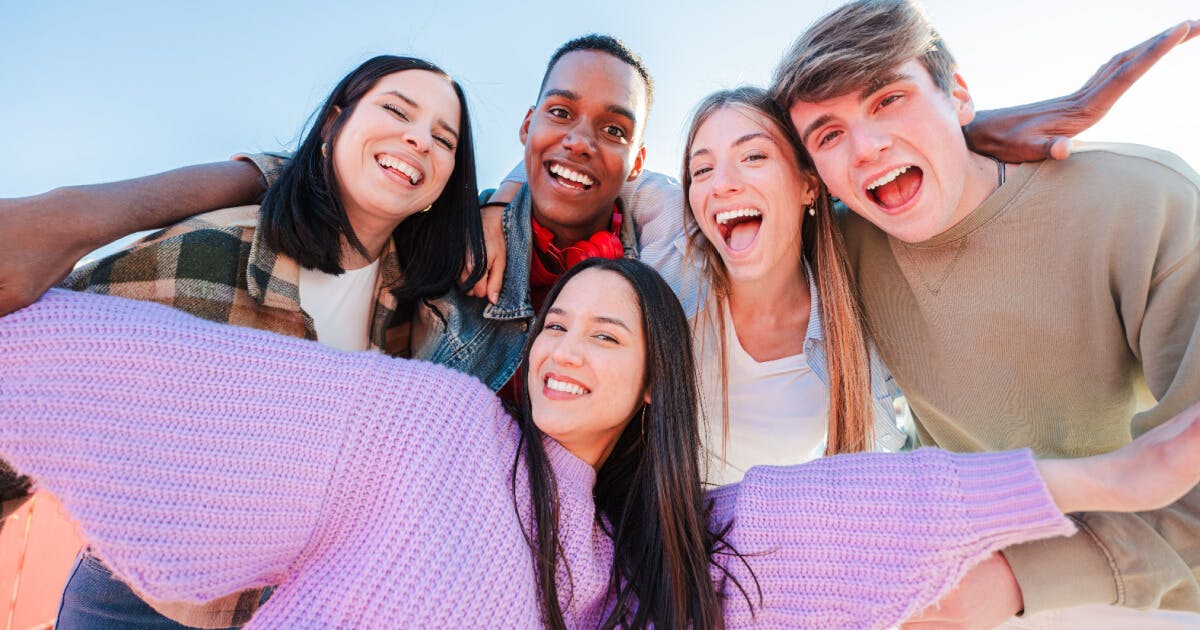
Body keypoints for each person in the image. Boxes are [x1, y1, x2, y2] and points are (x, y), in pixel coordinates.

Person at [1, 260, 1199, 629]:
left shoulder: (638, 563)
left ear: (656, 381)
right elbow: (200, 389)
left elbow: (857, 512)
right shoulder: (432, 419)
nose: (566, 347)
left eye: (608, 334)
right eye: (557, 323)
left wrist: (1119, 476)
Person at [771, 0, 1200, 625]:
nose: (866, 148)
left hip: (1149, 591)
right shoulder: (840, 248)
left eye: (889, 99)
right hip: (971, 574)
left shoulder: (1143, 200)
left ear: (960, 94)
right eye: (829, 134)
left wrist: (1010, 584)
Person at [52, 55, 486, 629]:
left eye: (443, 137)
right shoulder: (211, 249)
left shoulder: (416, 315)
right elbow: (38, 356)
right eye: (395, 109)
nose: (417, 137)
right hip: (141, 607)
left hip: (293, 612)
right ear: (333, 128)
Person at [680, 86, 907, 486]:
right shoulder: (669, 272)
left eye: (753, 156)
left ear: (808, 184)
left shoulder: (857, 320)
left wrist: (969, 129)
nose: (722, 184)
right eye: (702, 170)